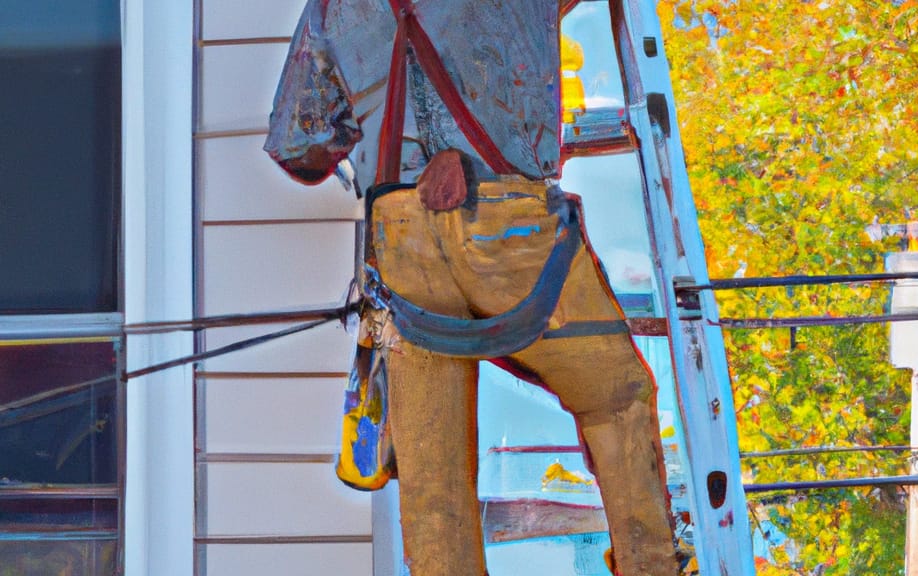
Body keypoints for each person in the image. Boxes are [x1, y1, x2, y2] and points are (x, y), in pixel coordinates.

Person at [264, 1, 679, 574]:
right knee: (617, 396)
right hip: (508, 223)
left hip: (400, 237)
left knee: (433, 473)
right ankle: (651, 563)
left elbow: (300, 148)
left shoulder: (332, 8)